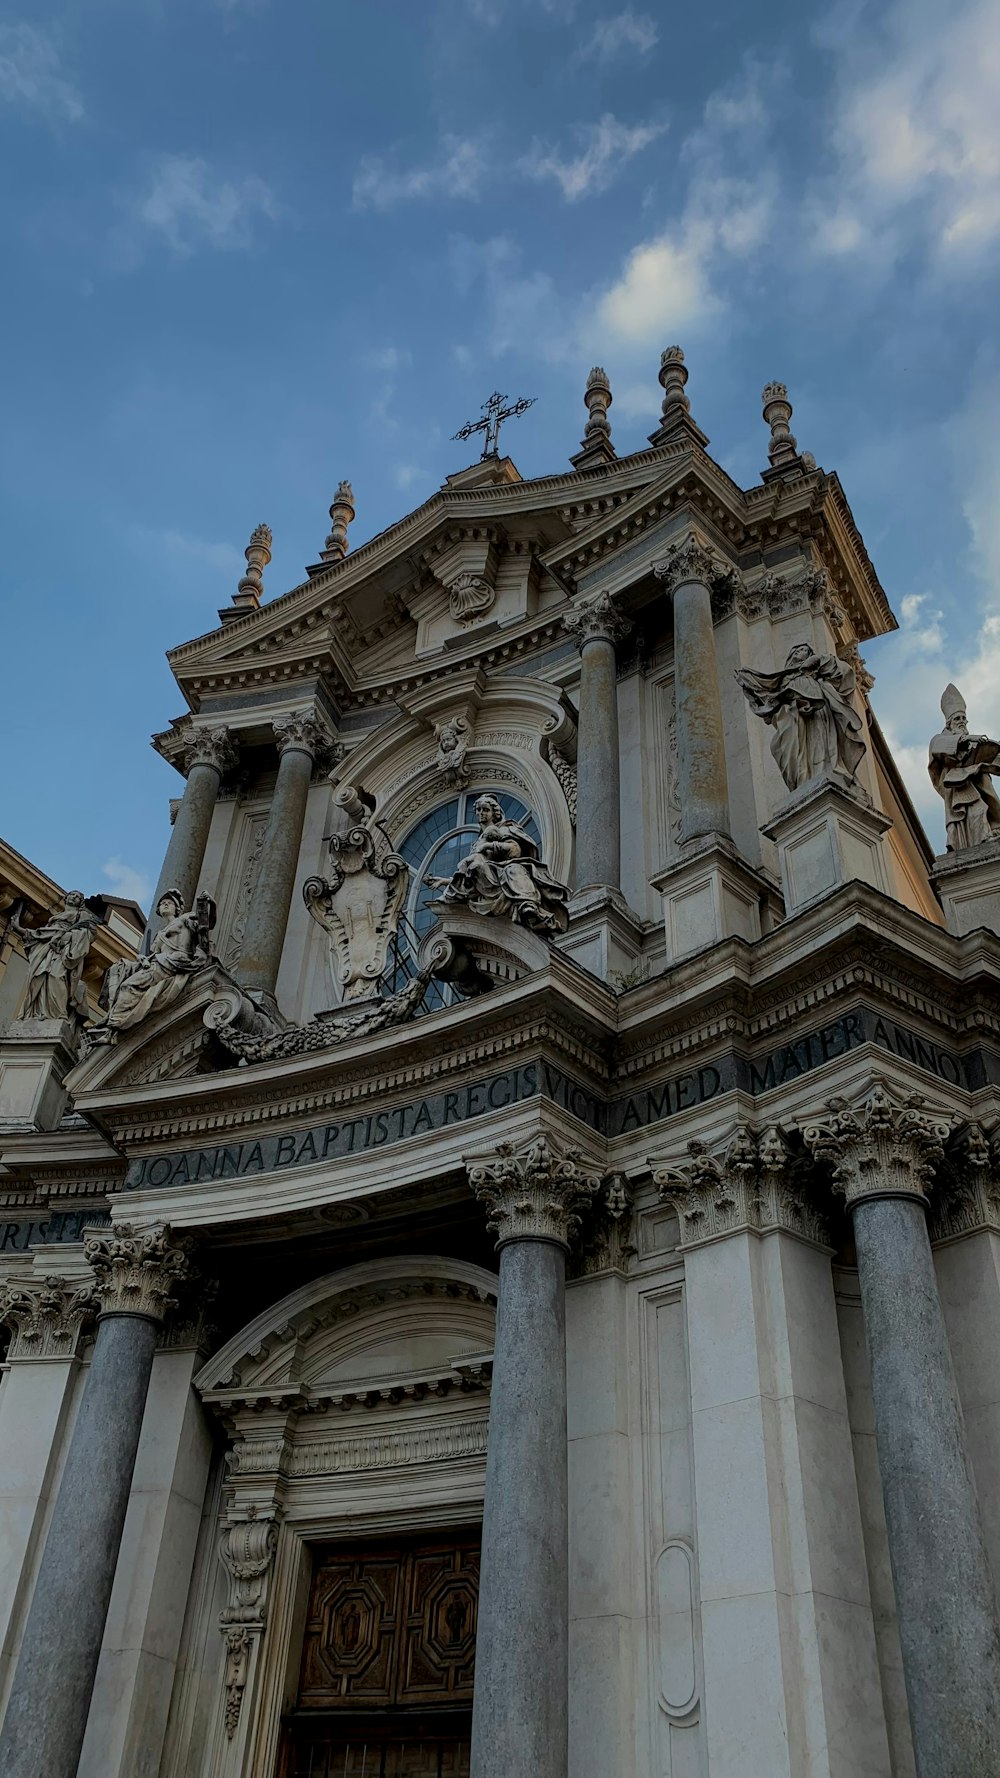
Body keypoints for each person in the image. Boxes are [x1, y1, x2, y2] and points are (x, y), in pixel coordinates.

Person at [429, 794, 569, 934]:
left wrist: (490, 846)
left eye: (485, 810)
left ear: (494, 813)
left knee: (512, 869)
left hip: (503, 872)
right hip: (485, 878)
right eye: (478, 810)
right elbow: (468, 875)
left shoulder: (505, 829)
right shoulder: (478, 842)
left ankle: (528, 906)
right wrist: (444, 882)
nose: (481, 813)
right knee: (475, 865)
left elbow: (515, 850)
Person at [735, 642, 866, 792]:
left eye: (803, 650)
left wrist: (819, 659)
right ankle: (802, 779)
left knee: (820, 741)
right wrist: (750, 686)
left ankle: (822, 771)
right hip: (794, 716)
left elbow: (845, 673)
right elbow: (769, 701)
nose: (799, 652)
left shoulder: (817, 678)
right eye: (796, 650)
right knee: (789, 746)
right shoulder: (784, 680)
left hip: (819, 713)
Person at [90, 889, 215, 1039]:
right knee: (120, 969)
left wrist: (210, 904)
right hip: (160, 963)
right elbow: (153, 955)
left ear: (178, 908)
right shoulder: (159, 935)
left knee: (128, 986)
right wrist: (144, 959)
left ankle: (113, 1027)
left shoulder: (184, 918)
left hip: (175, 961)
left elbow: (207, 924)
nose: (165, 905)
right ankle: (113, 1024)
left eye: (169, 903)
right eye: (162, 903)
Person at [928, 684, 1000, 852]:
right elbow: (939, 748)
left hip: (976, 782)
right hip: (958, 788)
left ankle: (988, 833)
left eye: (963, 718)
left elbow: (991, 757)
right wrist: (967, 740)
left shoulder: (971, 741)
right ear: (949, 723)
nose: (961, 722)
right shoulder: (940, 739)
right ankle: (982, 838)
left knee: (986, 807)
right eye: (957, 719)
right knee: (977, 809)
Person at [13, 891, 98, 1023]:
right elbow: (41, 934)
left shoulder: (83, 915)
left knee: (57, 977)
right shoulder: (57, 917)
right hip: (47, 950)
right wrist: (20, 929)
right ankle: (36, 1013)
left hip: (63, 951)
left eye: (79, 897)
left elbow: (90, 933)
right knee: (39, 977)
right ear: (66, 897)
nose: (75, 897)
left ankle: (58, 1015)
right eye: (73, 894)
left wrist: (66, 937)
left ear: (81, 903)